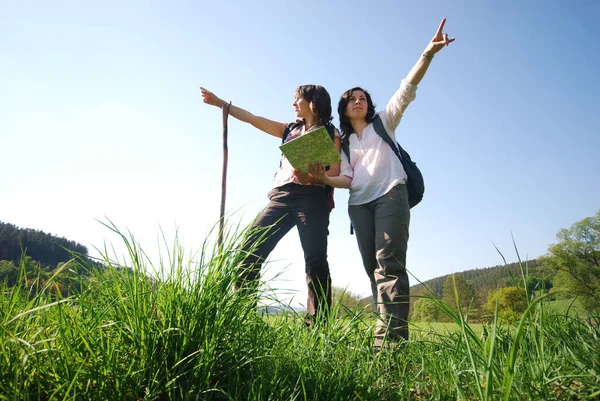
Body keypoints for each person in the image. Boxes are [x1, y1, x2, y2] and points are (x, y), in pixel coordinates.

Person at [308, 18, 454, 346]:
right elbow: (345, 178)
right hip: (359, 205)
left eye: (363, 97)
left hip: (391, 194)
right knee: (373, 272)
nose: (358, 101)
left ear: (369, 105)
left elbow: (407, 88)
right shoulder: (342, 143)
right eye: (352, 99)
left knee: (388, 265)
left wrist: (428, 54)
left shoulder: (384, 122)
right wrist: (323, 177)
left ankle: (386, 350)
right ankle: (391, 334)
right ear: (345, 109)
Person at [200, 85, 341, 325]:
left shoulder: (331, 133)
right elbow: (254, 119)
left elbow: (335, 172)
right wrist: (222, 103)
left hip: (313, 198)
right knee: (248, 251)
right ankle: (244, 318)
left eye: (298, 99)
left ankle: (318, 327)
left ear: (313, 102)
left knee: (315, 261)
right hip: (281, 196)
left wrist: (315, 177)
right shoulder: (289, 129)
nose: (294, 104)